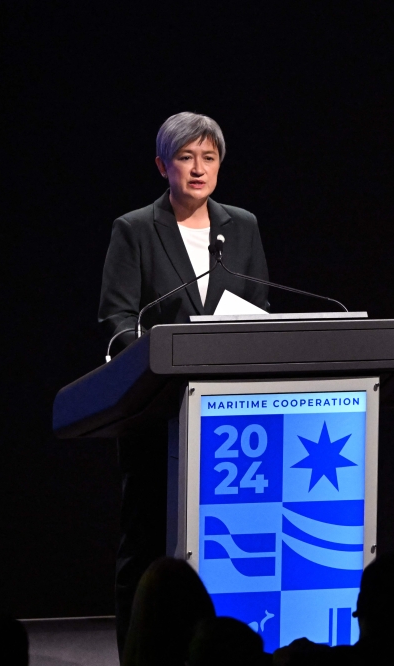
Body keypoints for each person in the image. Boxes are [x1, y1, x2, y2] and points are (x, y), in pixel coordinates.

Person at [99, 111, 271, 654]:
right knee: (146, 544)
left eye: (209, 157)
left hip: (225, 415)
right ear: (162, 165)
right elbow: (119, 317)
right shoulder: (134, 229)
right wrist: (154, 371)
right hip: (156, 411)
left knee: (220, 541)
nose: (198, 169)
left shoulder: (241, 226)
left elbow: (259, 306)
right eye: (185, 157)